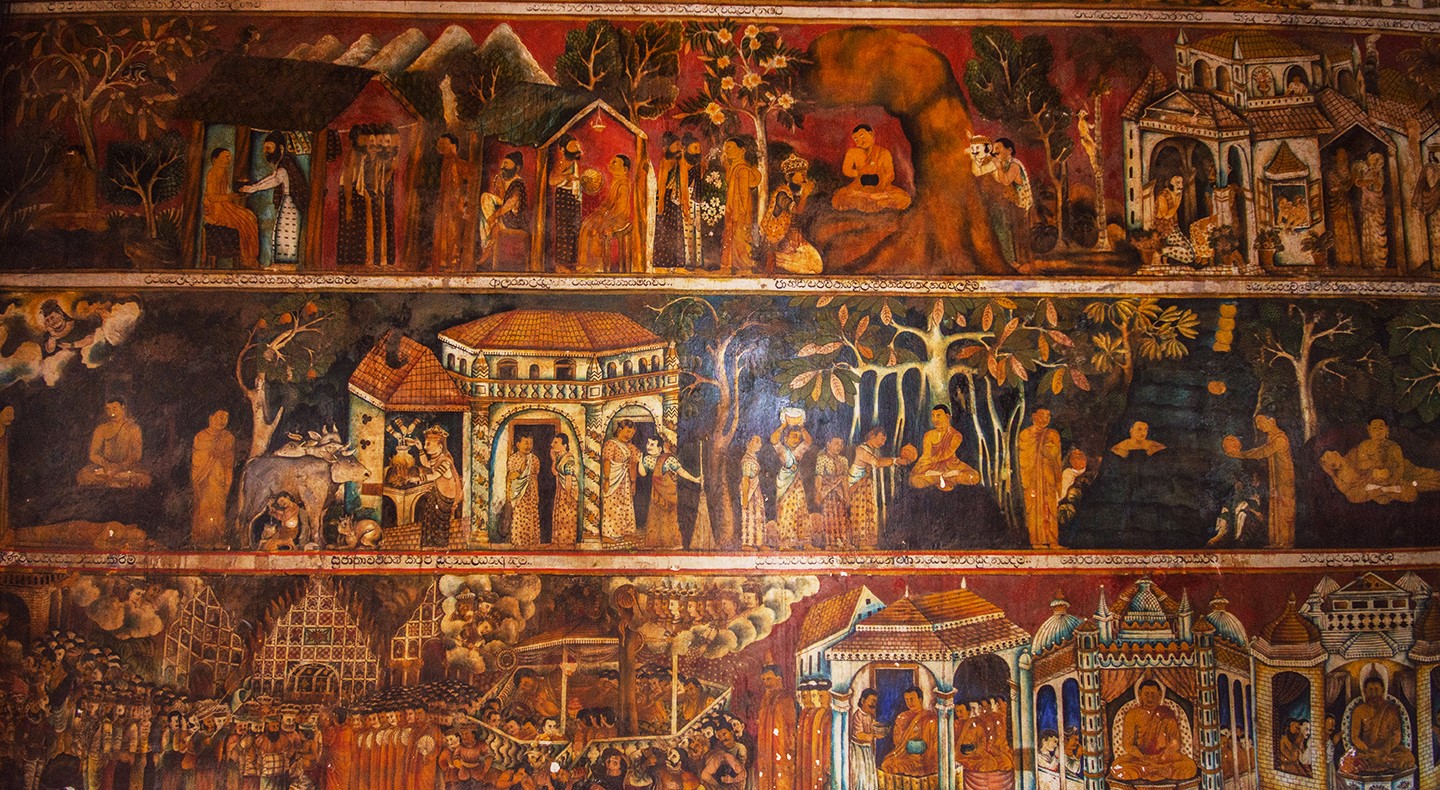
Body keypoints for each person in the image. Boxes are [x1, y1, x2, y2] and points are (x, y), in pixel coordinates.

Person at [1321, 418, 1440, 505]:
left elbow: (1399, 466)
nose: (1378, 431)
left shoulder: (1392, 446)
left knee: (1423, 475)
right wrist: (1376, 474)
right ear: (1369, 430)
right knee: (1415, 487)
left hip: (1400, 470)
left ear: (1386, 430)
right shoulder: (1362, 447)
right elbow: (1352, 486)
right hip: (1379, 481)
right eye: (1374, 428)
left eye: (1381, 428)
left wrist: (1389, 474)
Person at [1223, 415, 1295, 548]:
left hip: (1283, 479)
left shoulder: (1280, 439)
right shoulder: (1272, 437)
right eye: (1257, 423)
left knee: (1283, 508)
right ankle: (1277, 541)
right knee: (1275, 507)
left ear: (1272, 420)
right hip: (1276, 479)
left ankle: (1285, 542)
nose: (1258, 426)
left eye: (1260, 422)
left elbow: (1263, 452)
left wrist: (1240, 454)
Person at [239, 132, 309, 265]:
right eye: (265, 149)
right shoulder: (284, 163)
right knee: (280, 234)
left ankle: (286, 265)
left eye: (269, 148)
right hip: (288, 202)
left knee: (286, 235)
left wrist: (253, 188)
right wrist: (253, 187)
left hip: (291, 204)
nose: (266, 152)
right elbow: (272, 177)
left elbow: (275, 180)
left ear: (280, 148)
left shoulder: (286, 163)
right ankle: (281, 264)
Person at [1108, 680, 1198, 783]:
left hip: (1164, 759)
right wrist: (1143, 758)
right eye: (1147, 694)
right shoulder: (1132, 715)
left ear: (1159, 695)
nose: (1150, 698)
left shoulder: (1166, 713)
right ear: (1140, 694)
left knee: (1190, 767)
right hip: (1140, 759)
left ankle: (1150, 770)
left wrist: (1162, 757)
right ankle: (1157, 770)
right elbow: (1128, 745)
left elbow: (1175, 742)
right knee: (1117, 768)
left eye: (1153, 694)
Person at [337, 124, 401, 268]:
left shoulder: (376, 158)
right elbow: (348, 178)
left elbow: (380, 180)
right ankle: (354, 263)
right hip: (351, 191)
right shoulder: (356, 155)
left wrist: (392, 166)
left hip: (365, 193)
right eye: (370, 142)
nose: (376, 146)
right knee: (353, 229)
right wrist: (348, 202)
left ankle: (371, 260)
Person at [849, 428, 914, 549]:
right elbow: (877, 462)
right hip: (857, 484)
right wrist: (896, 461)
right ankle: (861, 543)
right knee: (860, 512)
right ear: (872, 436)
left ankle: (869, 541)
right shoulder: (861, 449)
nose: (883, 443)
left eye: (884, 441)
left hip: (867, 484)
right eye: (881, 439)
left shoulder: (874, 450)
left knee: (870, 511)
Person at [973, 138, 1033, 266]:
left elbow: (1005, 181)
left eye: (998, 148)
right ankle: (1013, 259)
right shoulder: (1003, 163)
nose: (995, 152)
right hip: (1011, 200)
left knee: (1014, 229)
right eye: (994, 149)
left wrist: (998, 168)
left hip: (1020, 203)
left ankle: (1020, 261)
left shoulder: (1014, 165)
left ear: (1009, 150)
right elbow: (997, 179)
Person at [1339, 675, 1415, 775]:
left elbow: (1396, 735)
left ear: (1382, 690)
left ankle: (1374, 764)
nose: (1374, 693)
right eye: (1370, 689)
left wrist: (1384, 750)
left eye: (1376, 689)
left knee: (1408, 758)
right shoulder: (1359, 710)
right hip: (1366, 753)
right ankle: (1378, 763)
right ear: (1365, 691)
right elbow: (1355, 737)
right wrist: (1367, 750)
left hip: (1387, 752)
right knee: (1345, 762)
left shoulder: (1391, 709)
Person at [763, 154, 822, 274]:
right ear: (789, 177)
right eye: (801, 175)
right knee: (812, 267)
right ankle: (774, 259)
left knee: (816, 266)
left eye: (805, 175)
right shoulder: (782, 194)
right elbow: (797, 210)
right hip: (782, 240)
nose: (804, 178)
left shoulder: (795, 194)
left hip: (797, 238)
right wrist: (805, 195)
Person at [832, 124, 912, 213]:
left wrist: (880, 182)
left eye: (862, 137)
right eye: (856, 139)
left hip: (881, 188)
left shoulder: (883, 152)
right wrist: (859, 173)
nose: (860, 141)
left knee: (904, 198)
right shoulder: (852, 152)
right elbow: (846, 170)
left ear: (871, 134)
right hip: (859, 187)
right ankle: (872, 199)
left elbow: (890, 174)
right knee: (838, 198)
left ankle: (875, 199)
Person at [203, 148, 260, 268]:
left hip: (224, 205)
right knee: (245, 221)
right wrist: (229, 197)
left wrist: (232, 197)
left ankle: (250, 258)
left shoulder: (224, 172)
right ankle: (247, 259)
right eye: (225, 157)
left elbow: (223, 194)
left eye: (229, 157)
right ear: (215, 160)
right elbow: (211, 197)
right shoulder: (212, 173)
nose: (228, 159)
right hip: (216, 209)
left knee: (250, 216)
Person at [643, 432, 701, 550]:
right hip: (656, 492)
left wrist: (695, 479)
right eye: (648, 443)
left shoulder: (668, 459)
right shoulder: (647, 459)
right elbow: (643, 473)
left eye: (652, 444)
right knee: (655, 516)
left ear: (660, 449)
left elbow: (681, 472)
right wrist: (640, 460)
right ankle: (655, 543)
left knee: (670, 517)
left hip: (669, 492)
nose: (648, 446)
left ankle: (672, 543)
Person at [77, 398, 151, 488]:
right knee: (84, 475)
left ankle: (114, 481)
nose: (111, 412)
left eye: (114, 408)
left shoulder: (133, 428)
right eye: (108, 409)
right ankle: (115, 482)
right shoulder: (101, 429)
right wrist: (106, 465)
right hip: (105, 468)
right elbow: (93, 454)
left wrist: (121, 466)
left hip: (126, 468)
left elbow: (137, 454)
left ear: (123, 408)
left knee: (144, 478)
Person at [579, 155, 635, 273]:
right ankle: (584, 263)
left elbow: (620, 209)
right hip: (610, 216)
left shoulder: (624, 184)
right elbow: (608, 202)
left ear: (625, 169)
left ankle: (596, 265)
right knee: (586, 225)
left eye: (615, 162)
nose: (611, 164)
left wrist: (605, 218)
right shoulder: (616, 181)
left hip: (619, 219)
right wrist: (600, 212)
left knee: (595, 230)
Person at [1017, 408, 1063, 549]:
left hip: (1048, 477)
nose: (1045, 418)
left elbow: (1057, 457)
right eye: (1042, 415)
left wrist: (1050, 451)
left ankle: (1053, 541)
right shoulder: (1025, 434)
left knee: (1050, 508)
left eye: (1048, 416)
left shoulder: (1053, 434)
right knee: (1034, 510)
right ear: (1034, 416)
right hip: (1032, 478)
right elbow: (1023, 457)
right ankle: (1036, 541)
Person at [191, 409, 235, 548]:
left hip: (220, 478)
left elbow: (229, 462)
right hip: (204, 479)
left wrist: (227, 480)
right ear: (211, 417)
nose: (222, 420)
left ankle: (218, 538)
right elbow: (197, 460)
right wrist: (212, 454)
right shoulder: (200, 437)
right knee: (204, 508)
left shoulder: (228, 438)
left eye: (226, 417)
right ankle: (203, 539)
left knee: (219, 508)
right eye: (219, 416)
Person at [909, 405, 980, 490]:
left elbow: (947, 454)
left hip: (952, 465)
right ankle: (943, 476)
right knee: (915, 481)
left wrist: (931, 461)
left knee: (974, 477)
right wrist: (918, 466)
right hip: (932, 467)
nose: (935, 419)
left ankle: (944, 477)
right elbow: (926, 455)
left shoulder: (956, 435)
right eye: (933, 416)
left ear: (947, 417)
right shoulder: (928, 435)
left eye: (938, 416)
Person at [431, 133, 473, 270]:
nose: (442, 147)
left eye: (445, 144)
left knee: (453, 231)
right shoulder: (445, 162)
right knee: (442, 231)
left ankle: (453, 262)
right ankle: (443, 262)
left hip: (454, 203)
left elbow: (459, 185)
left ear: (453, 146)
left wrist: (459, 204)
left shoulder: (456, 163)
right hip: (445, 202)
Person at [721, 137, 762, 274]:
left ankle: (744, 264)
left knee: (740, 235)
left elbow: (744, 194)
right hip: (733, 207)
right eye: (726, 148)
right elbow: (729, 182)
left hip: (740, 209)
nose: (726, 151)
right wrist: (727, 166)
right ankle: (733, 264)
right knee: (733, 235)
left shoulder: (743, 169)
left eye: (730, 147)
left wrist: (742, 213)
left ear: (742, 150)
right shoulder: (735, 167)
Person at [413, 426, 460, 548]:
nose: (425, 446)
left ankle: (439, 544)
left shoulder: (445, 461)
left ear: (440, 447)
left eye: (428, 444)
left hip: (445, 497)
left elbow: (434, 475)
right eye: (425, 444)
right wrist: (419, 449)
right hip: (438, 493)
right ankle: (429, 544)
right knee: (428, 516)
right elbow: (426, 463)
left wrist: (418, 479)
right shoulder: (436, 459)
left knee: (437, 521)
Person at [655, 133, 697, 269]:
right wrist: (660, 202)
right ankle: (663, 261)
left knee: (676, 228)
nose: (680, 147)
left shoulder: (681, 162)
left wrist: (685, 203)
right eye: (677, 145)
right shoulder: (665, 162)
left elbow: (684, 184)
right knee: (664, 229)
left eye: (680, 145)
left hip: (675, 199)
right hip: (665, 198)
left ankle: (676, 261)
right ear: (668, 147)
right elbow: (662, 185)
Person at [771, 418, 813, 551]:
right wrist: (783, 425)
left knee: (801, 510)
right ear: (786, 438)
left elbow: (808, 441)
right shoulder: (783, 450)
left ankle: (805, 542)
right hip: (785, 482)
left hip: (796, 482)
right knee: (786, 511)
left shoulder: (798, 450)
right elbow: (774, 440)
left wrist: (802, 427)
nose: (797, 439)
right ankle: (785, 543)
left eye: (798, 437)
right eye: (794, 436)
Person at [881, 687, 938, 778]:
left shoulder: (931, 719)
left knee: (930, 767)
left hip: (925, 758)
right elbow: (898, 742)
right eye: (907, 700)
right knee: (887, 764)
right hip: (906, 756)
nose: (909, 703)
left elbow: (935, 745)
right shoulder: (902, 717)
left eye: (912, 699)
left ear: (920, 699)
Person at [754, 667, 795, 790]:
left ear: (779, 679)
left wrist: (790, 744)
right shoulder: (765, 698)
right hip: (766, 746)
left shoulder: (785, 698)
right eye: (764, 680)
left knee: (781, 777)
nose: (766, 683)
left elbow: (791, 724)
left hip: (781, 746)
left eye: (769, 679)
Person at [550, 135, 585, 270]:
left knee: (575, 230)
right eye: (573, 146)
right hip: (564, 197)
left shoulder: (574, 163)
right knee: (564, 231)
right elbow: (552, 180)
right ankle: (561, 265)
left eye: (577, 146)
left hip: (574, 197)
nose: (577, 149)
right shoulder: (561, 163)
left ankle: (573, 264)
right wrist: (567, 177)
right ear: (563, 149)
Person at [602, 420, 640, 545]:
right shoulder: (611, 444)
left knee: (626, 505)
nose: (629, 435)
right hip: (613, 479)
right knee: (611, 506)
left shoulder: (630, 447)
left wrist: (633, 482)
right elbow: (607, 462)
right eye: (628, 431)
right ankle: (608, 534)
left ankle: (626, 533)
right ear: (619, 430)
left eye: (632, 433)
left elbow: (633, 464)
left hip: (625, 481)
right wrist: (607, 480)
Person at [1352, 152, 1389, 270]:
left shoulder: (1379, 173)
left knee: (1377, 232)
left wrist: (1371, 181)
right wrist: (1364, 180)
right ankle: (1369, 261)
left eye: (1374, 161)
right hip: (1367, 206)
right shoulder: (1368, 172)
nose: (1372, 163)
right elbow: (1358, 183)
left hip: (1376, 205)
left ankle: (1379, 261)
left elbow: (1378, 187)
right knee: (1368, 232)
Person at [1325, 150, 1361, 268]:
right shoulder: (1332, 174)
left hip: (1345, 205)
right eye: (1342, 158)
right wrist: (1353, 178)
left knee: (1349, 231)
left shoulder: (1347, 172)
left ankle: (1352, 260)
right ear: (1336, 159)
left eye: (1345, 158)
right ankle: (1342, 261)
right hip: (1336, 207)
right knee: (1340, 232)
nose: (1344, 161)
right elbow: (1343, 187)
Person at [814, 437, 850, 550]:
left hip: (839, 493)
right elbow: (819, 477)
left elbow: (845, 479)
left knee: (842, 516)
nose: (839, 447)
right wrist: (818, 493)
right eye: (836, 444)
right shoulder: (822, 458)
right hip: (827, 492)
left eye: (841, 444)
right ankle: (830, 543)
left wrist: (847, 495)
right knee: (829, 516)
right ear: (828, 444)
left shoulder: (844, 460)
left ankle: (843, 541)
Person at [505, 435, 541, 548]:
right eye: (526, 442)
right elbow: (511, 476)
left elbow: (534, 477)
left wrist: (537, 494)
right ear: (518, 444)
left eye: (531, 443)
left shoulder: (534, 459)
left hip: (531, 492)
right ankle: (519, 543)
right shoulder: (513, 459)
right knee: (519, 517)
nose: (528, 446)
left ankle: (532, 543)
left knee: (532, 516)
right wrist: (521, 470)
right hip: (518, 493)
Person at [1155, 174, 1196, 267]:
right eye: (1177, 183)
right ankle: (1161, 251)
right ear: (1170, 183)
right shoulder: (1162, 196)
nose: (1181, 185)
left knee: (1193, 251)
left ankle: (1164, 253)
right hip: (1166, 230)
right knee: (1190, 256)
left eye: (1181, 182)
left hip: (1174, 228)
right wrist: (1177, 203)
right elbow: (1166, 216)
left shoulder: (1176, 195)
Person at [849, 689, 882, 790]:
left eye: (875, 701)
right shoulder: (858, 715)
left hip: (867, 749)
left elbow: (872, 726)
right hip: (858, 749)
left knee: (869, 774)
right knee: (861, 775)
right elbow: (859, 735)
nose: (873, 704)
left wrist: (879, 727)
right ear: (863, 701)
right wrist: (874, 735)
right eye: (872, 701)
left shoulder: (869, 716)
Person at [739, 435, 767, 550]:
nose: (760, 444)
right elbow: (745, 479)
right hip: (749, 491)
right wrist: (745, 497)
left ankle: (759, 542)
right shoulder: (747, 460)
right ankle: (747, 544)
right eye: (756, 441)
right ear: (748, 443)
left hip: (756, 490)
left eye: (760, 442)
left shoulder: (753, 458)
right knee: (749, 516)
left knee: (758, 516)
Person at [551, 434, 579, 546]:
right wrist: (554, 460)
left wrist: (568, 495)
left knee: (567, 515)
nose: (552, 445)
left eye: (556, 442)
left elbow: (568, 478)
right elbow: (555, 472)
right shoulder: (560, 457)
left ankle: (567, 543)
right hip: (561, 488)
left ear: (565, 445)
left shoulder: (569, 458)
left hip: (569, 489)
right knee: (560, 514)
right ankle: (558, 542)